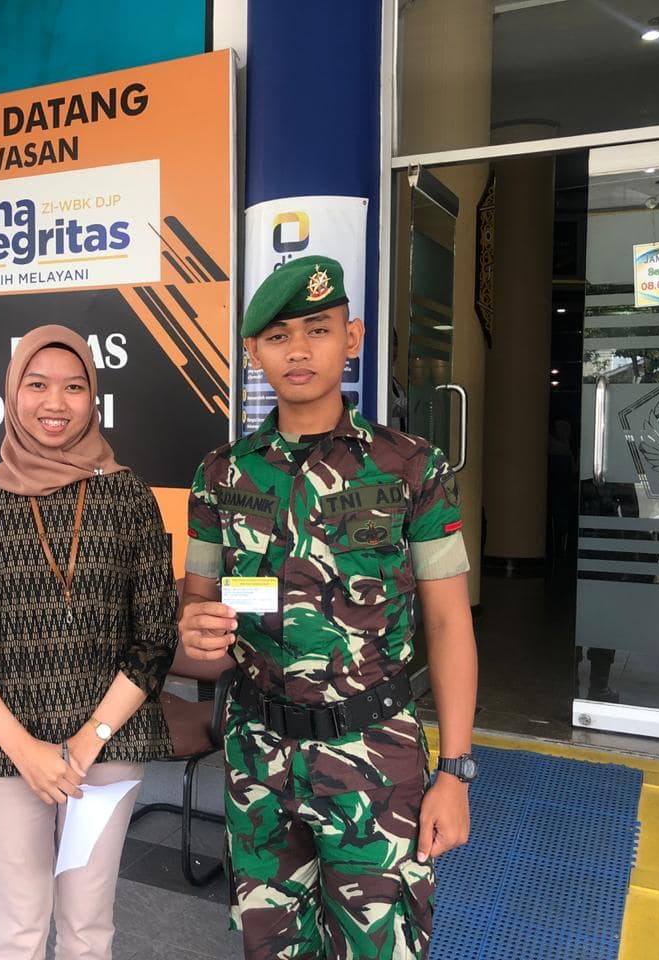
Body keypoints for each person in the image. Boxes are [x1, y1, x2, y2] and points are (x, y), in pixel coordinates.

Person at [178, 256, 479, 959]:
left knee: (380, 946)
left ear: (352, 338)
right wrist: (192, 623)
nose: (299, 350)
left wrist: (456, 772)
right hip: (257, 754)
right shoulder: (221, 474)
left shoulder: (411, 467)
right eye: (278, 336)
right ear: (253, 353)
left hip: (374, 754)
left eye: (318, 329)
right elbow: (197, 599)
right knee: (272, 947)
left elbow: (449, 623)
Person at [0, 324, 177, 960]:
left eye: (73, 387)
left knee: (87, 929)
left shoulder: (129, 496)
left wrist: (86, 741)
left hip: (106, 748)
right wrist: (27, 751)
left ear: (93, 397)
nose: (55, 403)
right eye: (37, 385)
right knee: (15, 930)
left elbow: (154, 638)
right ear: (13, 393)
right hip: (3, 749)